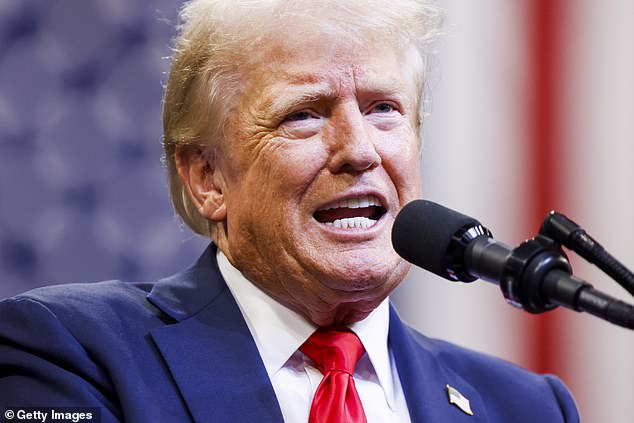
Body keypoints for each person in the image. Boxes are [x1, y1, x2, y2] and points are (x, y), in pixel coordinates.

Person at [0, 1, 579, 422]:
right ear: (207, 178)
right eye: (304, 113)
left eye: (383, 108)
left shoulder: (527, 408)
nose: (359, 149)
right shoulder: (72, 353)